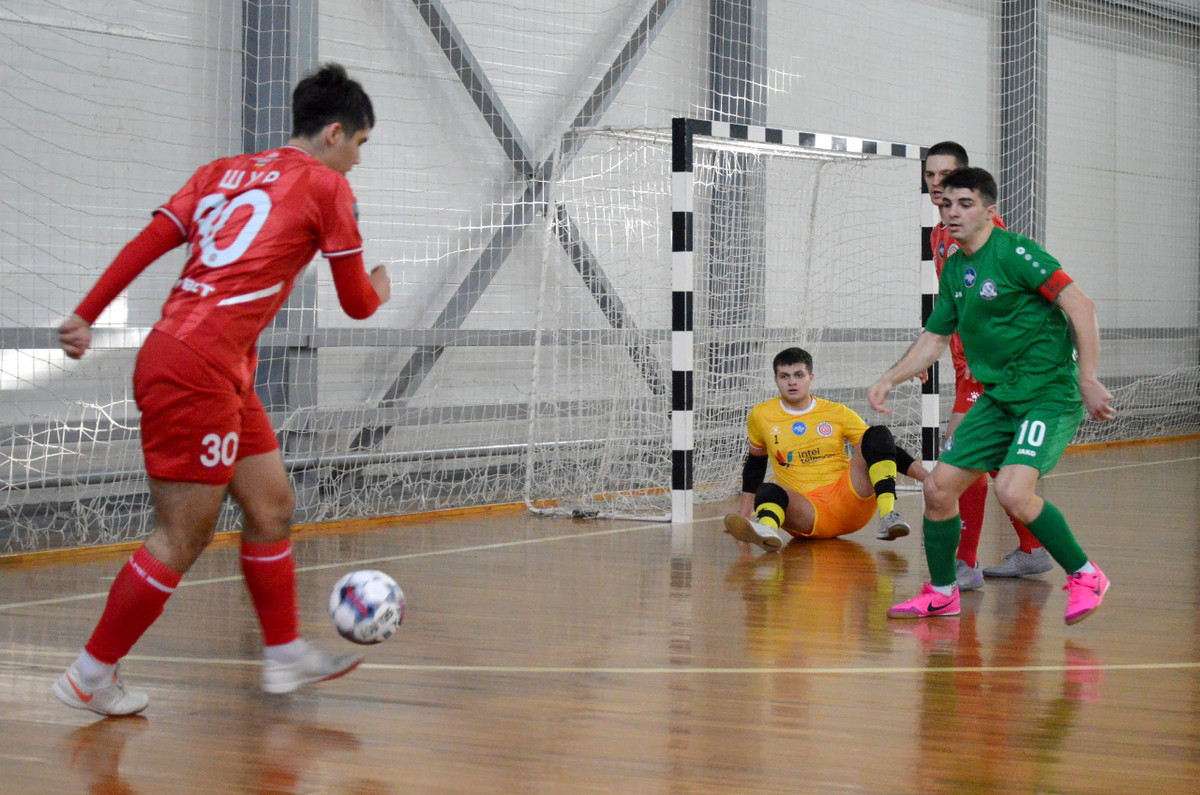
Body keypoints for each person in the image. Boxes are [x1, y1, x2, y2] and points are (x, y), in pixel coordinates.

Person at [52, 63, 390, 716]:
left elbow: (148, 242)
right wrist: (381, 285)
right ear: (334, 134)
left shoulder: (222, 173)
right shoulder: (327, 188)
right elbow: (357, 305)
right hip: (197, 368)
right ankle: (88, 674)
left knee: (271, 505)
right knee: (183, 534)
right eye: (360, 146)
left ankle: (285, 655)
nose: (356, 161)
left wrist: (87, 313)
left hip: (211, 361)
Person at [869, 167, 1115, 624]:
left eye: (964, 204)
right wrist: (891, 376)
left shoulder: (1016, 252)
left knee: (1012, 491)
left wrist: (1088, 376)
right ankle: (943, 592)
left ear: (988, 210)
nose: (952, 212)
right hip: (998, 397)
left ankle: (1085, 574)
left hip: (1047, 393)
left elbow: (1081, 305)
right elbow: (935, 337)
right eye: (945, 204)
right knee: (939, 490)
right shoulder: (957, 268)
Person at [923, 142, 1052, 590]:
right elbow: (953, 305)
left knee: (962, 456)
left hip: (990, 366)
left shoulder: (983, 229)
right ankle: (1034, 551)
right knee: (989, 458)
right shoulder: (940, 234)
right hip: (965, 362)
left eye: (947, 176)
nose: (937, 185)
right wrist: (928, 353)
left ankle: (965, 563)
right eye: (930, 176)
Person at [724, 347, 926, 552]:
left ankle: (888, 515)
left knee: (877, 433)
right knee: (768, 491)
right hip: (805, 512)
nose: (791, 382)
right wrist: (744, 515)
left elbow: (884, 448)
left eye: (798, 375)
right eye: (784, 376)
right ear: (776, 380)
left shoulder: (836, 412)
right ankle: (765, 529)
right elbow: (755, 463)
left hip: (850, 502)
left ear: (811, 378)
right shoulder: (761, 415)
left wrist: (929, 479)